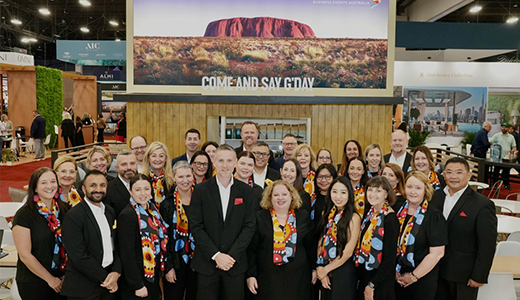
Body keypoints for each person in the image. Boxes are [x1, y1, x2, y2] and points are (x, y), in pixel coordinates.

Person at [188, 144, 256, 300]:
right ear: (214, 162)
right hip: (207, 264)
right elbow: (196, 227)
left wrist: (231, 256)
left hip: (235, 265)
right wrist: (216, 255)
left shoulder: (246, 191)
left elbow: (249, 226)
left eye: (229, 160)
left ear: (235, 163)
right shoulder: (200, 190)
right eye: (221, 160)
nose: (225, 165)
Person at [431, 157, 497, 300]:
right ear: (443, 175)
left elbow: (487, 244)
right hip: (435, 271)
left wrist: (479, 276)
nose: (453, 176)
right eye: (449, 172)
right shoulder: (435, 197)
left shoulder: (482, 204)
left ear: (468, 175)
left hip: (464, 276)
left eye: (459, 172)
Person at [246, 180, 316, 300]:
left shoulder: (303, 216)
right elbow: (252, 249)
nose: (280, 198)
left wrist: (314, 268)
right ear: (270, 198)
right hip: (268, 279)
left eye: (284, 194)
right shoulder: (260, 218)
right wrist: (251, 275)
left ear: (291, 196)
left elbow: (311, 245)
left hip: (299, 278)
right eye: (276, 195)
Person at [61, 170, 122, 300]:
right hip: (84, 289)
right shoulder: (73, 216)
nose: (98, 189)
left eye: (102, 185)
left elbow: (115, 245)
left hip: (108, 286)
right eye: (93, 185)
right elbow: (78, 256)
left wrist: (116, 272)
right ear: (83, 188)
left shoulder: (110, 211)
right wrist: (105, 278)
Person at [12, 167, 69, 300]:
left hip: (63, 279)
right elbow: (25, 255)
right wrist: (50, 279)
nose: (49, 186)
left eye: (53, 181)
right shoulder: (24, 215)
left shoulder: (64, 210)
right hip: (34, 281)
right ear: (35, 188)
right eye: (43, 182)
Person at [395, 171, 448, 300]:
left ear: (426, 190)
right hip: (396, 276)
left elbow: (437, 253)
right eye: (409, 187)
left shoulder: (433, 216)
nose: (413, 191)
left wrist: (413, 276)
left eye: (418, 188)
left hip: (422, 278)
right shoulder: (397, 210)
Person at [118, 174, 169, 300]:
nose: (143, 193)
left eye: (146, 189)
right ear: (130, 192)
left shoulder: (153, 211)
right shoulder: (127, 215)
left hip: (153, 275)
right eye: (137, 189)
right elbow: (127, 254)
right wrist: (137, 285)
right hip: (138, 279)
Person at [316, 176, 361, 300]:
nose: (338, 196)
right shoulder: (329, 214)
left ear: (349, 194)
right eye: (334, 192)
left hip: (343, 272)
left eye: (343, 192)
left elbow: (348, 252)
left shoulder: (354, 217)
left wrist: (325, 270)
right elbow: (321, 242)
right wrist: (320, 268)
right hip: (326, 270)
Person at [354, 176, 399, 300]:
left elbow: (390, 259)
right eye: (370, 190)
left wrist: (372, 284)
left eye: (378, 191)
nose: (372, 194)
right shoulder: (370, 214)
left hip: (379, 282)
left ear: (386, 194)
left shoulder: (390, 219)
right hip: (366, 276)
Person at [160, 161, 197, 300]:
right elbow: (164, 238)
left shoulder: (201, 200)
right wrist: (168, 267)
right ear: (174, 178)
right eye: (181, 177)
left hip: (197, 261)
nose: (185, 180)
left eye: (188, 176)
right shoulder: (167, 204)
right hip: (175, 262)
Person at [141, 141, 175, 207]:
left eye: (161, 156)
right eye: (154, 156)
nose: (157, 159)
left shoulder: (172, 180)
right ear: (148, 158)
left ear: (165, 159)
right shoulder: (141, 179)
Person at [105, 151, 138, 217]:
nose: (129, 167)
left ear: (136, 165)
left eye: (132, 163)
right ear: (117, 168)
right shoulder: (109, 189)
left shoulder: (145, 184)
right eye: (124, 164)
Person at [490, 122, 517, 190]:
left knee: (506, 172)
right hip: (498, 157)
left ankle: (506, 184)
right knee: (496, 171)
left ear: (508, 128)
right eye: (502, 127)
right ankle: (495, 184)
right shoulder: (497, 135)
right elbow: (491, 142)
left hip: (506, 158)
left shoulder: (511, 137)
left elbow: (514, 147)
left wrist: (512, 151)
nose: (503, 128)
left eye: (505, 127)